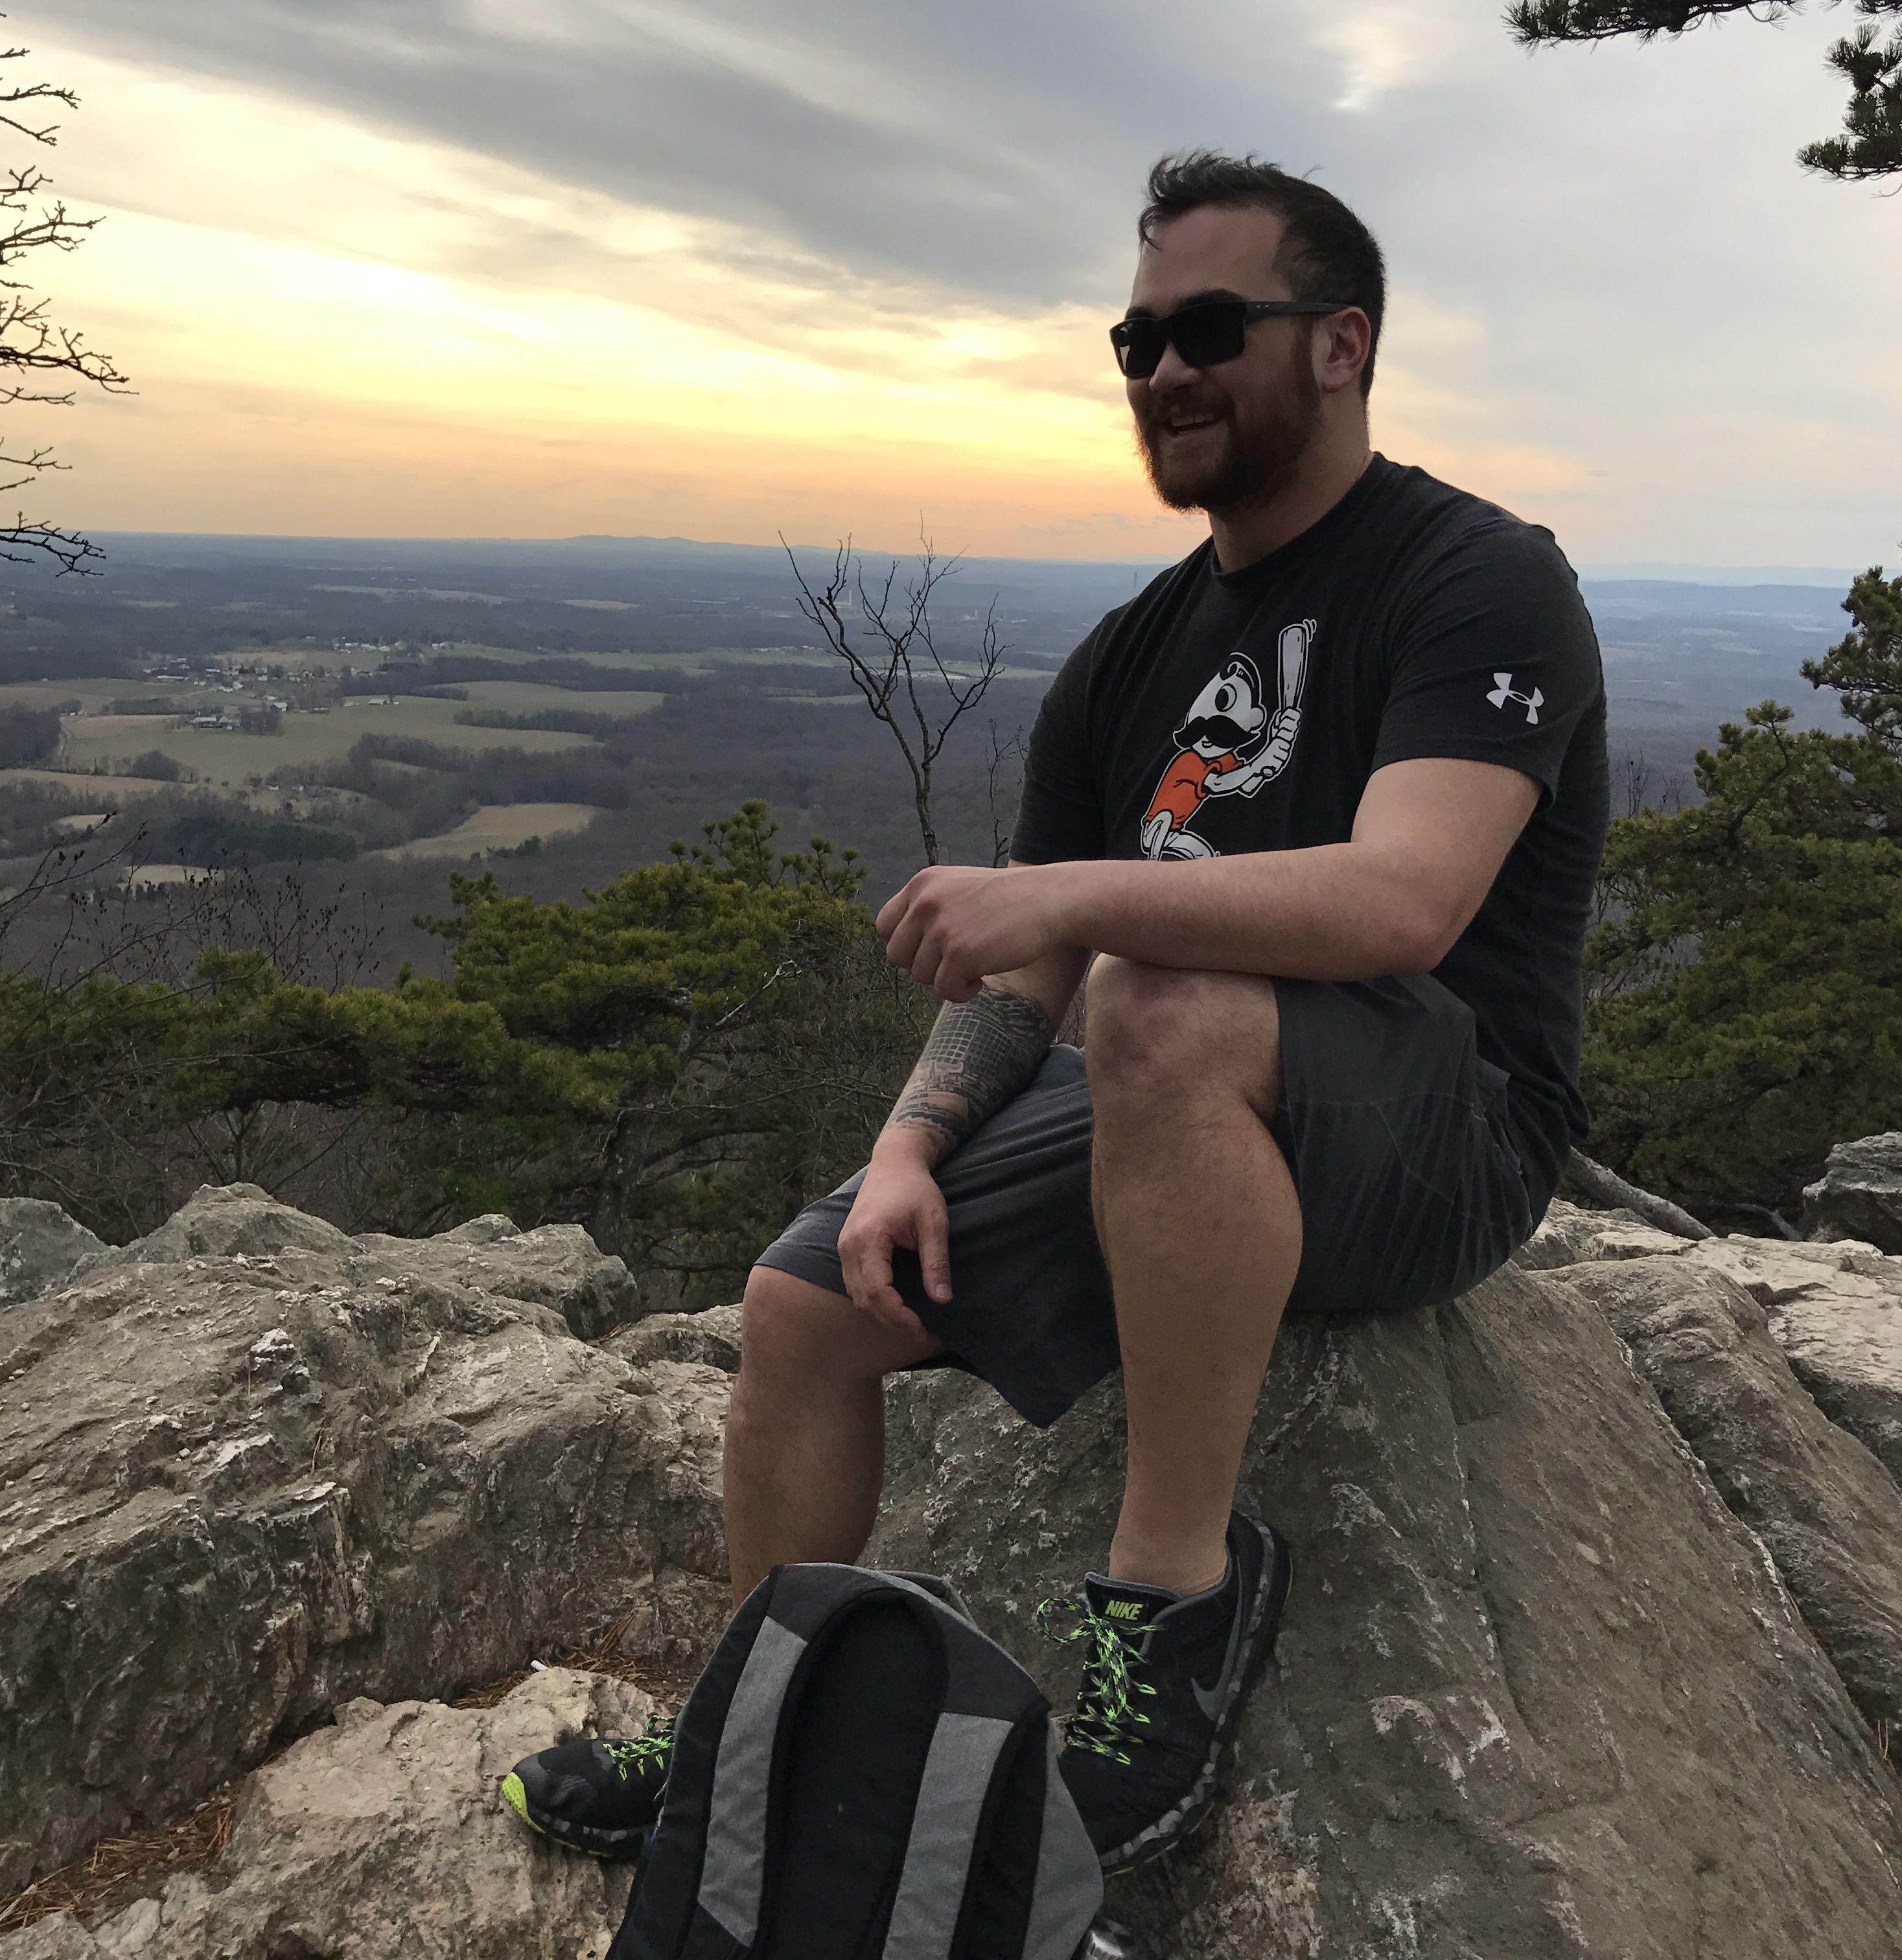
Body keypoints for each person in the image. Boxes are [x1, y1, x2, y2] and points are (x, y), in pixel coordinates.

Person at [500, 149, 1608, 1876]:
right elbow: (1029, 981)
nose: (1164, 370)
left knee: (1156, 1001)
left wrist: (1076, 898)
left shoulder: (1476, 576)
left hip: (1446, 1130)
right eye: (1136, 339)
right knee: (803, 1302)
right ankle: (759, 1729)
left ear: (1341, 345)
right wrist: (906, 1150)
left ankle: (1171, 1602)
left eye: (1211, 328)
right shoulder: (1132, 653)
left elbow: (1407, 901)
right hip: (1190, 1121)